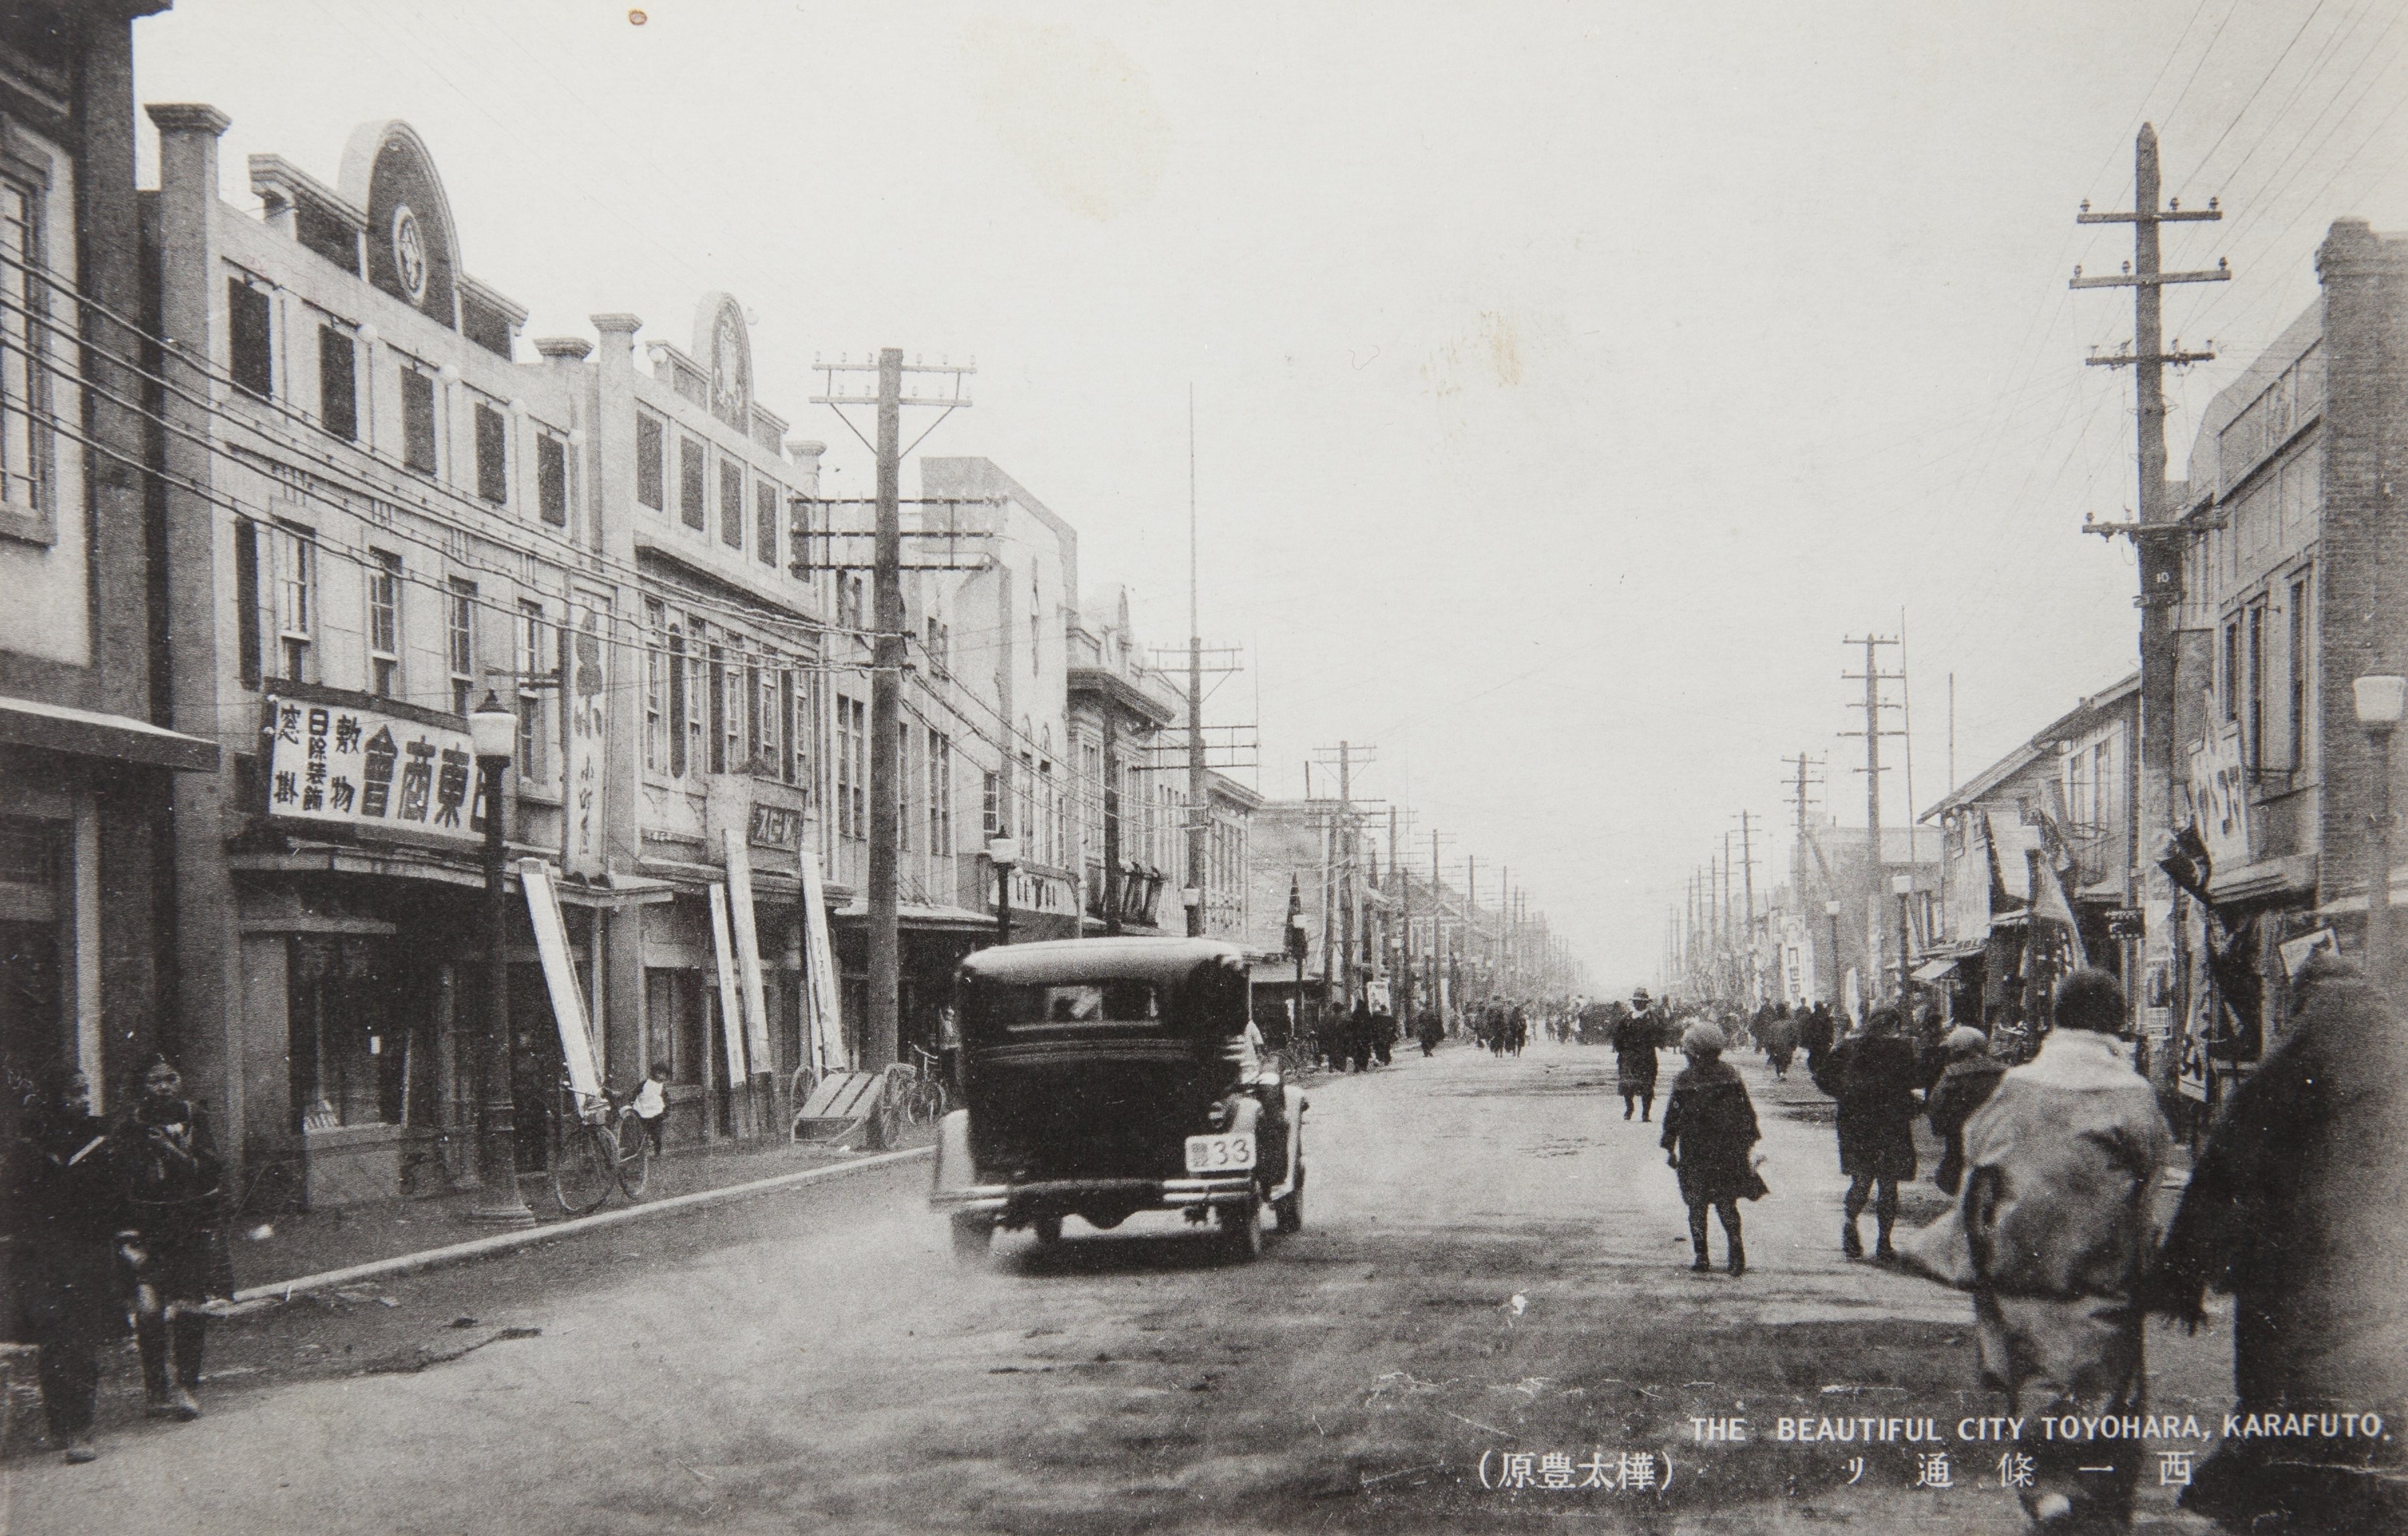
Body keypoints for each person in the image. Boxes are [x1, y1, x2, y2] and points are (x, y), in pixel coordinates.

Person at [2148, 950, 2408, 1533]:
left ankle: (2243, 1499)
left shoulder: (2307, 1049)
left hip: (2296, 1270)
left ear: (2304, 1000)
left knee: (2276, 1397)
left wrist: (2184, 1274)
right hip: (2389, 1269)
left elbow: (2227, 1160)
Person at [1905, 968, 2171, 1532]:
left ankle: (2047, 1495)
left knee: (2036, 1389)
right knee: (2103, 1401)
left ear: (2056, 1016)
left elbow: (1978, 1154)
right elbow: (2149, 1183)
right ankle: (2093, 1505)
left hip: (2021, 1271)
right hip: (2104, 1277)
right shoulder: (2134, 1093)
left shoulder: (2017, 1085)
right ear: (2118, 1021)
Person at [3, 1063, 123, 1462]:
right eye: (75, 1093)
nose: (83, 1100)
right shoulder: (32, 1143)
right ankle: (58, 1424)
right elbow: (16, 1201)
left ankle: (81, 1430)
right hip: (42, 1256)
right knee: (53, 1340)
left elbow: (114, 1197)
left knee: (82, 1340)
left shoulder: (100, 1137)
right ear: (57, 1098)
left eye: (86, 1092)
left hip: (87, 1253)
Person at [114, 1055, 232, 1423]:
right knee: (149, 1311)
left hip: (190, 1223)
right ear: (141, 1087)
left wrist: (172, 1152)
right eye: (154, 1081)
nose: (164, 1087)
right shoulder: (130, 1126)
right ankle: (155, 1390)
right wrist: (126, 1232)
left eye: (170, 1078)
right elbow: (119, 1181)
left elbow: (211, 1169)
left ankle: (186, 1388)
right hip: (148, 1226)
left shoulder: (195, 1116)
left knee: (189, 1306)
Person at [1815, 1003, 1920, 1260]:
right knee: (1888, 1184)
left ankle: (1850, 1224)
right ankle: (1884, 1242)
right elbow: (1916, 1079)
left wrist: (1844, 1095)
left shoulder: (1849, 1046)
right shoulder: (1902, 1049)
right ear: (1893, 1025)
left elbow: (1822, 1077)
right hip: (1891, 1122)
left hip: (1856, 1121)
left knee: (1861, 1179)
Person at [1660, 1022, 1765, 1275]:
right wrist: (1748, 1143)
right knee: (1727, 1203)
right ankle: (1736, 1252)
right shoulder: (1731, 1074)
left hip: (1695, 1150)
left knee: (1697, 1206)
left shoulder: (1684, 1079)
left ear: (1693, 1052)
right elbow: (1747, 1113)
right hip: (1728, 1150)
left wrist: (1670, 1147)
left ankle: (1702, 1256)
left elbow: (1672, 1117)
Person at [1924, 1026, 2005, 1196]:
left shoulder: (1953, 1074)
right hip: (1996, 1135)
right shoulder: (2003, 1071)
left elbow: (1937, 1105)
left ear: (1957, 1049)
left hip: (1960, 1136)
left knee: (1959, 1181)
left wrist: (1940, 1128)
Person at [1613, 1000, 1660, 1121]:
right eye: (1637, 1002)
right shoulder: (1627, 1018)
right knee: (1627, 1083)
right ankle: (1629, 1109)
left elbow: (1660, 1035)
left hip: (1646, 1056)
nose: (1639, 1004)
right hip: (1628, 1056)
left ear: (1646, 1003)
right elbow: (1617, 1035)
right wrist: (1620, 1048)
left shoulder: (1653, 1018)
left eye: (1642, 1002)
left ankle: (1645, 1113)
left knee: (1647, 1084)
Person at [631, 1062, 670, 1157]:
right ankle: (640, 1151)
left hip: (656, 1113)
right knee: (641, 1132)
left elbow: (666, 1100)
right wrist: (632, 1102)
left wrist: (666, 1111)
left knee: (656, 1133)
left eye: (663, 1074)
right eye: (659, 1073)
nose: (661, 1076)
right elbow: (635, 1093)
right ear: (653, 1073)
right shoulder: (645, 1084)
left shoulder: (662, 1087)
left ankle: (657, 1152)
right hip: (643, 1110)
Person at [1761, 1008, 1800, 1080]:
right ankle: (1783, 1072)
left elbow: (1769, 1037)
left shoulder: (1774, 1025)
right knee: (1786, 1059)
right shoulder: (1789, 1024)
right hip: (1786, 1045)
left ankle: (1780, 1073)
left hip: (1777, 1045)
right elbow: (1794, 1035)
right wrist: (1794, 1044)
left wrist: (1769, 1046)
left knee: (1778, 1060)